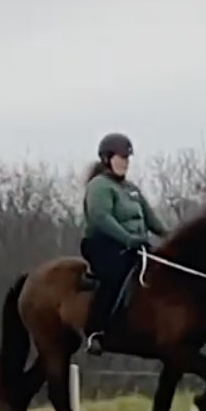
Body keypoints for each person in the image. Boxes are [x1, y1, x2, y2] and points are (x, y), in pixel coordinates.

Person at [80, 132, 168, 355]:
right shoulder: (99, 186)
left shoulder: (131, 189)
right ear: (107, 158)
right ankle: (95, 331)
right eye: (121, 157)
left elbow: (151, 218)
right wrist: (128, 239)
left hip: (134, 245)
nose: (125, 163)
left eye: (127, 158)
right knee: (115, 276)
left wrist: (170, 237)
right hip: (103, 245)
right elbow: (101, 218)